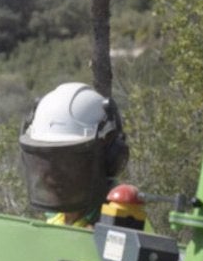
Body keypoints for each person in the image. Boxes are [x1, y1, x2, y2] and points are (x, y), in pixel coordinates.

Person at [19, 81, 130, 227]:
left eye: (66, 161)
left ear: (109, 157)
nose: (53, 174)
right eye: (45, 160)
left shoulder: (127, 224)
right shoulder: (55, 219)